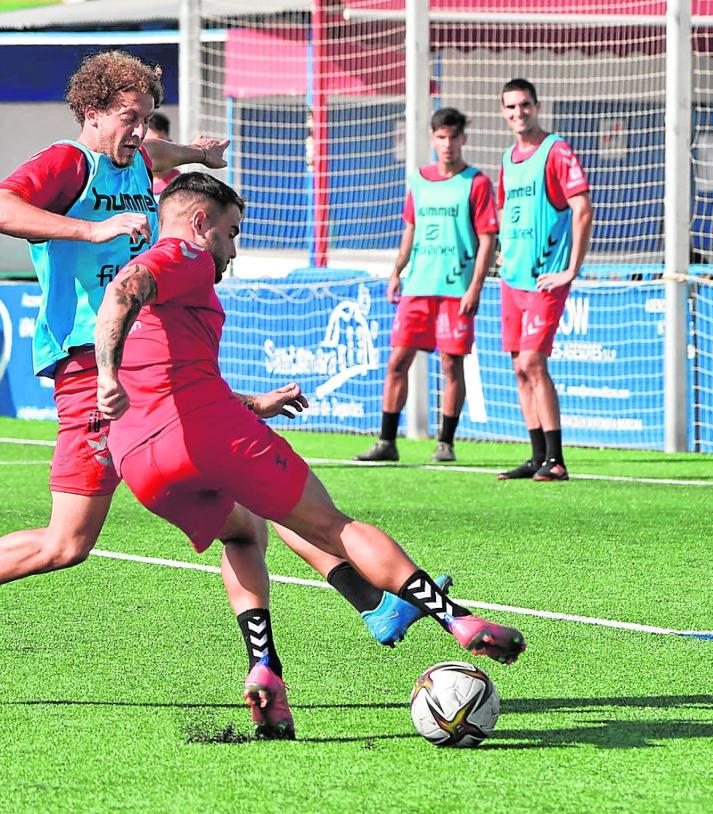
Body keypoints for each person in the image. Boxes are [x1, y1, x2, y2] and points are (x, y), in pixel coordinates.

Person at [0, 50, 433, 682]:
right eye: (129, 117)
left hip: (141, 360)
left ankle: (366, 608)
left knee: (253, 502)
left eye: (147, 117)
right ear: (92, 113)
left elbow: (161, 154)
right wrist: (89, 232)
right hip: (89, 370)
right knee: (66, 544)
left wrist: (199, 153)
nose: (140, 130)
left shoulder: (138, 156)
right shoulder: (67, 162)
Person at [94, 172, 526, 738]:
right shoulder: (186, 255)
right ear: (202, 224)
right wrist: (105, 373)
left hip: (139, 459)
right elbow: (124, 291)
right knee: (333, 527)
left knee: (242, 534)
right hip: (203, 432)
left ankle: (265, 669)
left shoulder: (173, 283)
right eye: (232, 233)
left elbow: (171, 376)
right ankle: (456, 618)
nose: (233, 249)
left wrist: (252, 403)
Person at [355, 107, 497, 464]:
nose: (447, 144)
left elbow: (487, 240)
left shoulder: (476, 183)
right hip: (418, 287)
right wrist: (396, 271)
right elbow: (411, 230)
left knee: (451, 365)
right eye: (441, 137)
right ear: (433, 139)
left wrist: (475, 287)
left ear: (463, 139)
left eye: (453, 137)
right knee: (397, 361)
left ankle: (445, 442)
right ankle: (387, 441)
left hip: (455, 290)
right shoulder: (419, 180)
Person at [494, 79, 592, 482]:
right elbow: (505, 211)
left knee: (534, 362)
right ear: (504, 113)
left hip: (543, 279)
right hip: (512, 278)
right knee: (519, 367)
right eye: (511, 107)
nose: (519, 113)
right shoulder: (506, 159)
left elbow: (582, 208)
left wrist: (571, 269)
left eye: (525, 105)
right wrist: (503, 253)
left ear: (537, 106)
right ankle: (537, 458)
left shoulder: (556, 150)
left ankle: (557, 459)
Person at [145, 111, 181, 195]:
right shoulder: (130, 185)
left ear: (170, 143)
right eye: (145, 144)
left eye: (156, 144)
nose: (150, 150)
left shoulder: (181, 186)